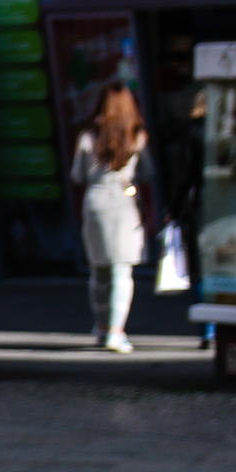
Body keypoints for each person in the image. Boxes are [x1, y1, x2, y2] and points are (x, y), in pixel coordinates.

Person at [69, 85, 149, 354]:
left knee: (99, 270)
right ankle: (117, 331)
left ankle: (102, 327)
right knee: (121, 271)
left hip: (94, 202)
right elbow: (148, 172)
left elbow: (77, 176)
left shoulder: (88, 137)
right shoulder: (136, 136)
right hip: (123, 203)